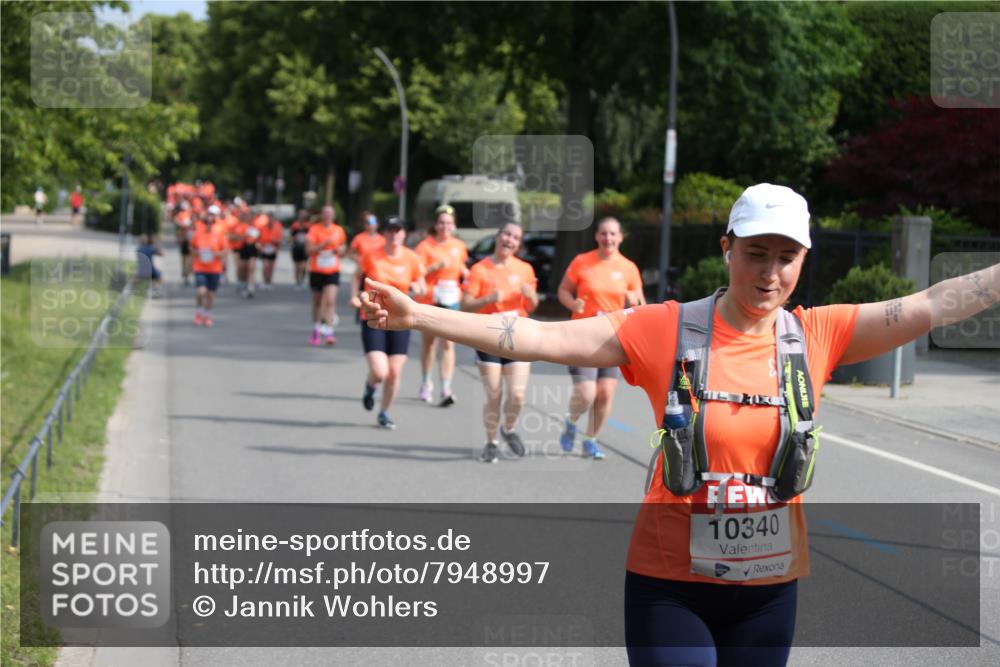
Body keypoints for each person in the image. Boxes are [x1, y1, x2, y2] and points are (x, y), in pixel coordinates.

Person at [359, 183, 1000, 666]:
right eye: (755, 254)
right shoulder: (664, 328)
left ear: (804, 259)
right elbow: (530, 334)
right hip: (672, 588)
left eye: (786, 257)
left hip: (771, 589)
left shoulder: (818, 334)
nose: (769, 273)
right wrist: (420, 317)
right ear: (726, 249)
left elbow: (933, 303)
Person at [556, 217, 645, 459]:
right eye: (604, 233)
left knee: (605, 393)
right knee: (586, 393)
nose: (608, 238)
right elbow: (563, 290)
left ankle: (590, 440)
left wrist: (636, 302)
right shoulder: (582, 262)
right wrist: (573, 303)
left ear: (620, 237)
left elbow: (640, 304)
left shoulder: (629, 268)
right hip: (582, 336)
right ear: (597, 236)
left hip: (613, 338)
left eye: (613, 234)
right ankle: (571, 421)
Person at [460, 222, 538, 463]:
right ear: (498, 236)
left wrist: (530, 296)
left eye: (515, 237)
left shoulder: (525, 269)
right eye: (506, 234)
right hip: (488, 335)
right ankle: (491, 441)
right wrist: (489, 298)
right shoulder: (480, 269)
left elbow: (532, 305)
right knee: (494, 393)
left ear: (518, 244)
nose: (510, 240)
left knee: (517, 394)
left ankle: (509, 428)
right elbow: (465, 305)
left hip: (517, 335)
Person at [349, 217, 426, 429]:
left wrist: (419, 289)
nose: (395, 234)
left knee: (394, 372)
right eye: (391, 230)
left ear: (404, 234)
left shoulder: (411, 258)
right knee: (381, 371)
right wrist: (355, 296)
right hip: (373, 316)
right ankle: (371, 385)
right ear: (385, 233)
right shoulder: (371, 255)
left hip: (400, 319)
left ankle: (384, 412)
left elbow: (421, 283)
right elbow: (356, 277)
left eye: (398, 230)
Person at [414, 205, 469, 406]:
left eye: (448, 223)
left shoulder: (459, 246)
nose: (445, 226)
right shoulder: (425, 246)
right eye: (441, 222)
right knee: (429, 344)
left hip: (451, 298)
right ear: (436, 225)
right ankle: (426, 382)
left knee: (448, 344)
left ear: (453, 226)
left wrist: (466, 273)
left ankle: (446, 388)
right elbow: (416, 272)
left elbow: (461, 265)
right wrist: (433, 267)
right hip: (430, 299)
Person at [306, 205, 347, 345]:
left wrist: (339, 250)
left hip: (332, 270)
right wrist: (324, 244)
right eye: (326, 213)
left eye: (330, 214)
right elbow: (308, 250)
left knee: (330, 300)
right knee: (318, 301)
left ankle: (329, 331)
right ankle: (316, 328)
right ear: (322, 215)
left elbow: (343, 249)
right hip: (317, 269)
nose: (328, 216)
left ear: (334, 216)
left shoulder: (339, 230)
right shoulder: (314, 229)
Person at [190, 208, 228, 327]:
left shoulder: (219, 235)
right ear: (204, 223)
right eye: (207, 222)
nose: (209, 224)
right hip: (200, 267)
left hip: (215, 268)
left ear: (214, 223)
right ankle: (198, 313)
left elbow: (225, 250)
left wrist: (218, 254)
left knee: (211, 294)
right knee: (201, 292)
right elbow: (191, 248)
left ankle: (207, 315)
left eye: (211, 222)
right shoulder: (198, 234)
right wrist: (196, 253)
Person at [136, 234, 164, 298]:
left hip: (141, 271)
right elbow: (161, 254)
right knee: (159, 275)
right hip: (151, 271)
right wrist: (156, 243)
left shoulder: (138, 249)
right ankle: (155, 291)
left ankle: (145, 290)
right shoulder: (150, 248)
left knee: (138, 278)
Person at [259, 214, 283, 290]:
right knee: (265, 266)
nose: (270, 221)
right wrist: (261, 246)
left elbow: (280, 240)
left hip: (273, 250)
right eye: (269, 219)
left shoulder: (277, 228)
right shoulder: (263, 228)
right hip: (265, 249)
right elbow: (259, 238)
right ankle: (265, 281)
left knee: (271, 267)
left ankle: (269, 281)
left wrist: (275, 241)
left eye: (271, 219)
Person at [289, 209, 311, 289]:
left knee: (303, 267)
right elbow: (290, 238)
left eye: (303, 215)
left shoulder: (308, 226)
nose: (301, 217)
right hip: (296, 248)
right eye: (300, 215)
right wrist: (294, 238)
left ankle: (302, 281)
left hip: (305, 248)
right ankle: (297, 282)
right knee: (297, 267)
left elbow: (311, 237)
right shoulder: (295, 225)